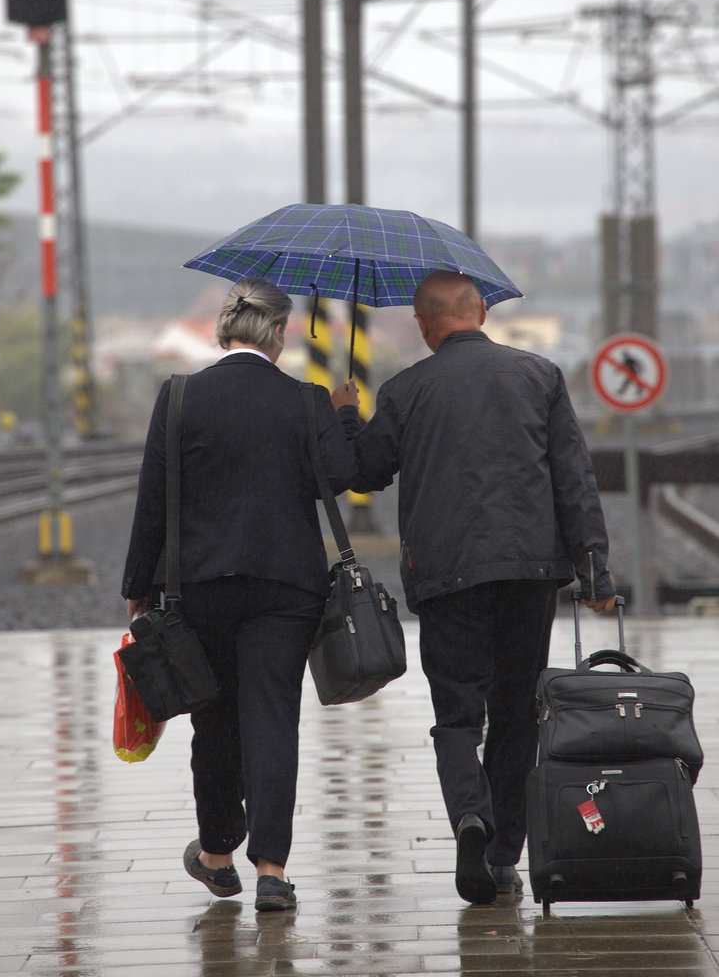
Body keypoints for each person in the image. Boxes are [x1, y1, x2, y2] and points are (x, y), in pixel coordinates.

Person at [332, 270, 616, 907]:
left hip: (446, 577)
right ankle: (502, 856)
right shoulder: (540, 376)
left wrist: (347, 416)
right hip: (530, 572)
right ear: (482, 311)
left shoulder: (405, 390)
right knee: (517, 713)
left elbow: (364, 472)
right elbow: (574, 477)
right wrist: (595, 573)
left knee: (458, 716)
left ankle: (469, 815)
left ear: (423, 324)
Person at [122, 277, 356, 911]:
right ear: (278, 333)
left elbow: (153, 500)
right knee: (273, 719)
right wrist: (342, 413)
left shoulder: (178, 398)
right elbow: (342, 477)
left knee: (214, 716)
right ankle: (272, 872)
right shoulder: (306, 401)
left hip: (199, 588)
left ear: (225, 330)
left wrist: (137, 587)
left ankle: (218, 854)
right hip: (287, 589)